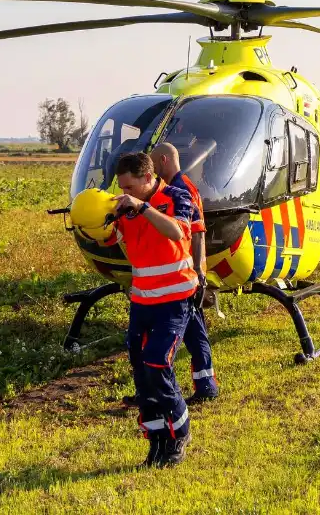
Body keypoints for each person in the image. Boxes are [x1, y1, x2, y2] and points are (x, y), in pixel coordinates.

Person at [104, 152, 198, 467]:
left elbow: (178, 233)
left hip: (174, 299)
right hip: (142, 300)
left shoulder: (176, 195)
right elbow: (111, 240)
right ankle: (157, 439)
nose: (125, 192)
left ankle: (179, 431)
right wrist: (99, 220)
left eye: (129, 186)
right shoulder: (128, 206)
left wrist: (143, 209)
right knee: (141, 370)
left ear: (147, 178)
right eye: (122, 187)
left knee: (158, 362)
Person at [150, 142, 220, 405]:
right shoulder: (170, 188)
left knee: (194, 331)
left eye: (153, 163)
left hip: (186, 275)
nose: (151, 170)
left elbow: (198, 232)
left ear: (164, 160)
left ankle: (206, 387)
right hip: (180, 273)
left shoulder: (183, 189)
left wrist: (198, 272)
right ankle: (205, 385)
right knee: (193, 330)